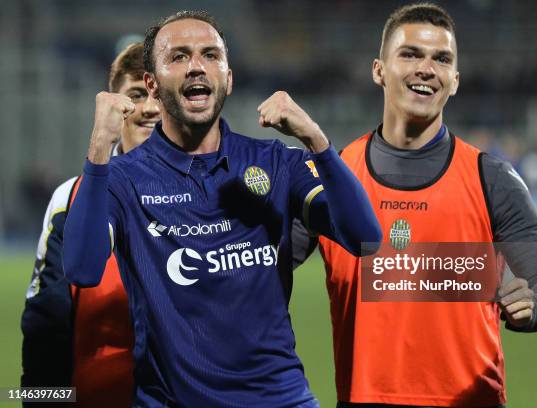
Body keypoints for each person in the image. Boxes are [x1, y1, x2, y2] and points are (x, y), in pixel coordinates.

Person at [62, 10, 381, 408]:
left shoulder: (276, 161)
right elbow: (81, 268)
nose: (196, 66)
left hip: (280, 399)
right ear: (153, 85)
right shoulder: (124, 179)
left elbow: (366, 238)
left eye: (210, 55)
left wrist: (316, 140)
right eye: (178, 57)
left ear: (227, 78)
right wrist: (98, 151)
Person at [292, 3, 537, 407]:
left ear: (454, 81)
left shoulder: (490, 178)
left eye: (441, 59)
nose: (427, 68)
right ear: (379, 70)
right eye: (410, 54)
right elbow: (264, 268)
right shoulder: (334, 179)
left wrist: (535, 306)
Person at [21, 42, 159, 407]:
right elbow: (45, 328)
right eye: (135, 94)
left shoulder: (210, 194)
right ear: (114, 104)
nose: (148, 108)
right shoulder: (70, 199)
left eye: (158, 94)